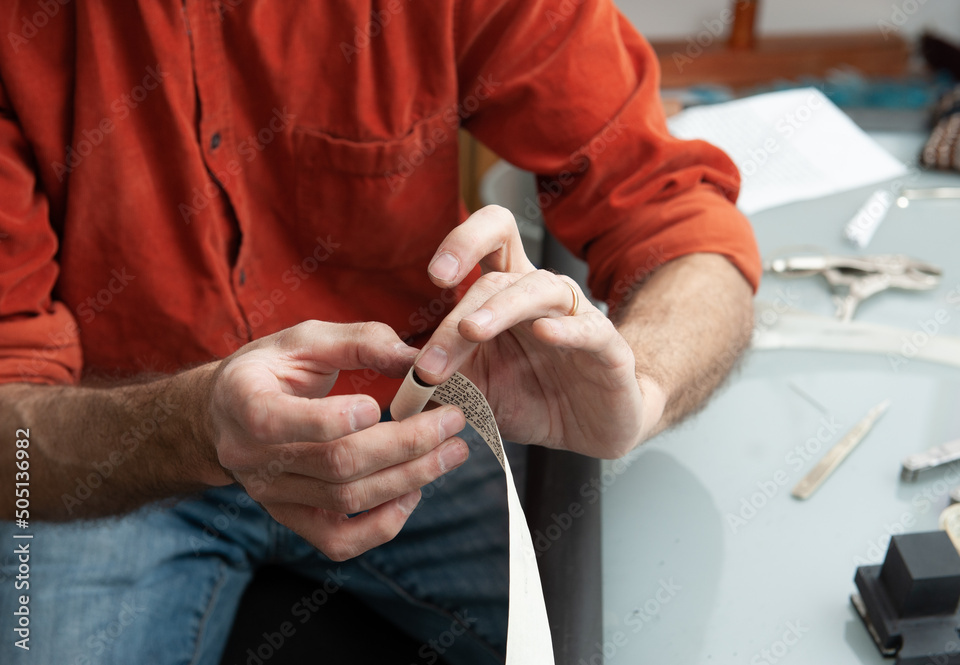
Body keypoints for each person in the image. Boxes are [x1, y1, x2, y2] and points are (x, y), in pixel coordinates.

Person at [0, 0, 760, 663]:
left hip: (419, 434)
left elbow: (677, 216)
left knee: (640, 635)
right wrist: (194, 426)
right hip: (122, 459)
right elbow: (11, 437)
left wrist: (646, 382)